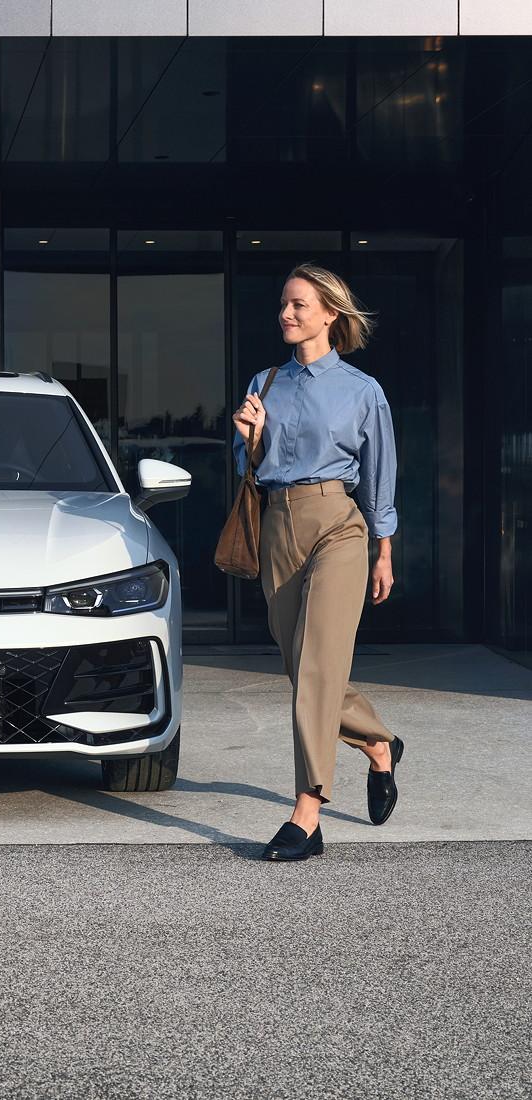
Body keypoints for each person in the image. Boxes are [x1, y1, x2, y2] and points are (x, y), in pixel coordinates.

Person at [231, 264, 404, 862]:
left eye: (299, 304)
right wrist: (250, 438)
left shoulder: (362, 391)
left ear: (330, 314)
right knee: (302, 668)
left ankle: (307, 814)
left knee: (318, 667)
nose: (286, 313)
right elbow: (248, 469)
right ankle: (379, 744)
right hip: (278, 525)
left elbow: (380, 475)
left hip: (338, 526)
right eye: (284, 303)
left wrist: (384, 549)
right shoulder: (265, 382)